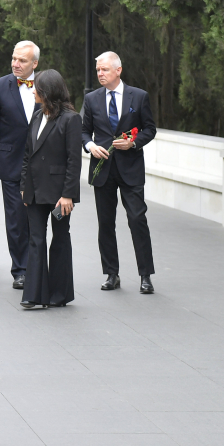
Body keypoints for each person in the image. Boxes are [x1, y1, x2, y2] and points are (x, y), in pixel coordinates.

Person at [81, 52, 157, 294]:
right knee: (106, 223)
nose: (100, 74)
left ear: (118, 70)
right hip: (102, 169)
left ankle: (145, 276)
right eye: (98, 70)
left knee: (137, 219)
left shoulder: (139, 96)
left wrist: (133, 142)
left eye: (104, 69)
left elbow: (150, 129)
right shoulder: (91, 99)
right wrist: (90, 146)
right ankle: (111, 274)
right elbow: (83, 131)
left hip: (131, 169)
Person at [19, 70, 82, 308]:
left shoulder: (71, 119)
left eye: (37, 88)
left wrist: (68, 195)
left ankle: (59, 294)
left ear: (48, 91)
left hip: (58, 196)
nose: (33, 91)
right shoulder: (37, 115)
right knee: (35, 239)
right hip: (34, 192)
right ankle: (34, 295)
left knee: (60, 238)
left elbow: (74, 160)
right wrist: (24, 187)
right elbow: (28, 155)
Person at [0, 40, 40, 290]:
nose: (16, 63)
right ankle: (21, 269)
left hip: (42, 164)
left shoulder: (46, 84)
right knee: (16, 218)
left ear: (34, 64)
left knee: (37, 218)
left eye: (22, 60)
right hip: (10, 162)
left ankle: (38, 267)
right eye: (14, 58)